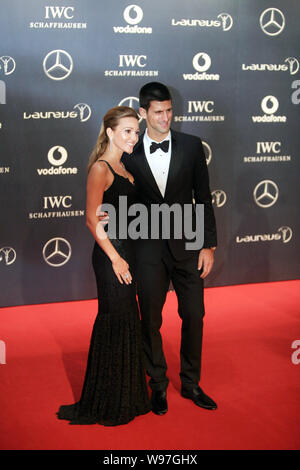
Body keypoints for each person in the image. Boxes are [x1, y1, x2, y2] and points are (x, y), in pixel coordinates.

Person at [122, 82, 218, 415]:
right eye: (158, 112)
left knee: (194, 315)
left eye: (169, 110)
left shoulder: (192, 146)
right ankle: (158, 384)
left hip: (188, 240)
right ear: (143, 113)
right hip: (147, 246)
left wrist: (208, 245)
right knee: (149, 318)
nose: (165, 117)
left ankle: (191, 383)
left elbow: (204, 198)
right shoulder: (127, 151)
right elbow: (121, 200)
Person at [57, 106, 151, 426]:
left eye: (136, 131)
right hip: (111, 257)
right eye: (127, 131)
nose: (133, 137)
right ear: (109, 132)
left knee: (128, 320)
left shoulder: (127, 168)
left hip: (130, 254)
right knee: (114, 320)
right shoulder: (101, 169)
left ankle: (129, 396)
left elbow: (130, 213)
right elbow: (90, 218)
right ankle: (108, 401)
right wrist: (115, 257)